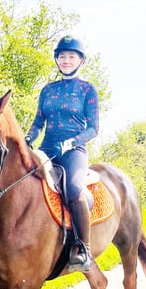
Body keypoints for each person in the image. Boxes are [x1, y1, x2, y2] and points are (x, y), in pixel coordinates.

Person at [25, 35, 99, 272]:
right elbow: (38, 124)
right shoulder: (48, 90)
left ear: (81, 61)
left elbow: (94, 128)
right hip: (47, 147)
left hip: (74, 151)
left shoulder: (88, 89)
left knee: (76, 190)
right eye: (62, 56)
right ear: (57, 60)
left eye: (71, 56)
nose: (66, 60)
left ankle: (83, 249)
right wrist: (28, 138)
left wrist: (72, 142)